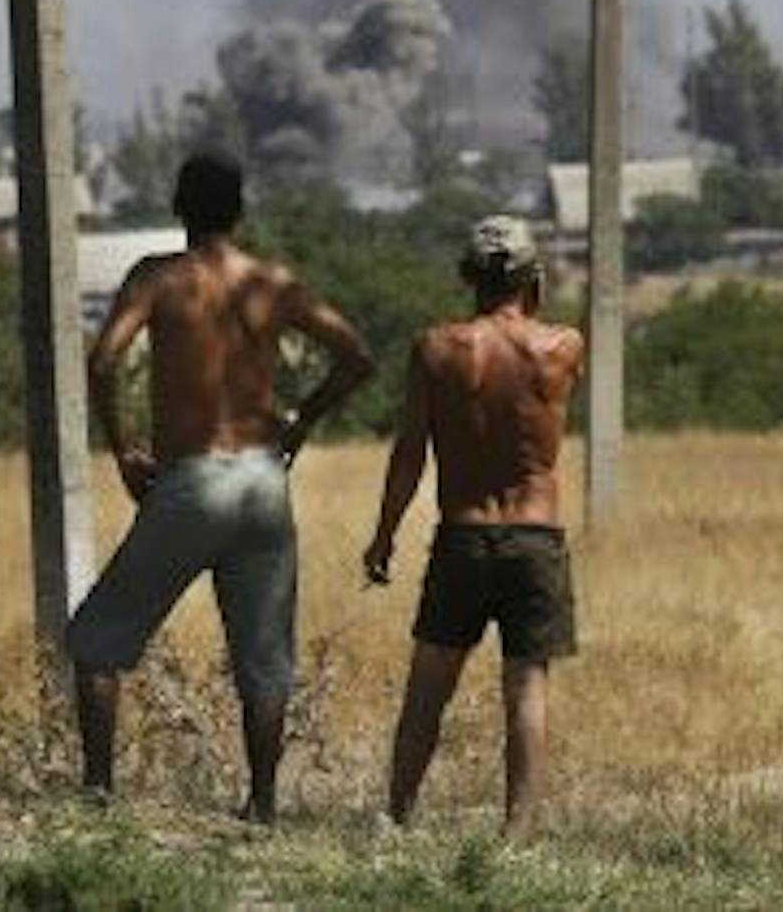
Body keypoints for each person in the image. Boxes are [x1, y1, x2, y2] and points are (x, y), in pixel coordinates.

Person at [66, 150, 375, 823]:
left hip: (194, 479)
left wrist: (123, 448)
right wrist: (300, 424)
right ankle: (261, 807)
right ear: (240, 211)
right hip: (263, 482)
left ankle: (96, 796)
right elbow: (356, 355)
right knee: (263, 659)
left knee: (95, 641)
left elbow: (104, 358)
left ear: (178, 207)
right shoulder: (274, 284)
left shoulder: (160, 279)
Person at [363, 215, 585, 837]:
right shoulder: (562, 347)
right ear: (531, 279)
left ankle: (397, 819)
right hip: (535, 539)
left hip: (461, 535)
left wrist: (384, 536)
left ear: (468, 278)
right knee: (526, 687)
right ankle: (514, 837)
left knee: (429, 686)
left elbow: (410, 452)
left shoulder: (436, 348)